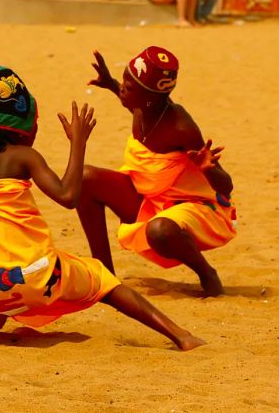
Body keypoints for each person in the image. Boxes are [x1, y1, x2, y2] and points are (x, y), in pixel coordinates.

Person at [0, 65, 206, 351]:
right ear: (23, 122)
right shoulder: (24, 157)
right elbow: (68, 196)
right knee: (104, 281)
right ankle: (181, 336)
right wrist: (78, 143)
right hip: (41, 278)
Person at [77, 47, 237, 297]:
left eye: (128, 88)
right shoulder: (144, 106)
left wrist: (209, 168)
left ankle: (207, 274)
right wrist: (110, 84)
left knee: (160, 231)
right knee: (85, 178)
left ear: (150, 97)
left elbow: (226, 188)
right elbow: (131, 104)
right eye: (124, 81)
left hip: (191, 207)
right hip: (150, 198)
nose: (122, 90)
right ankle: (105, 274)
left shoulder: (181, 126)